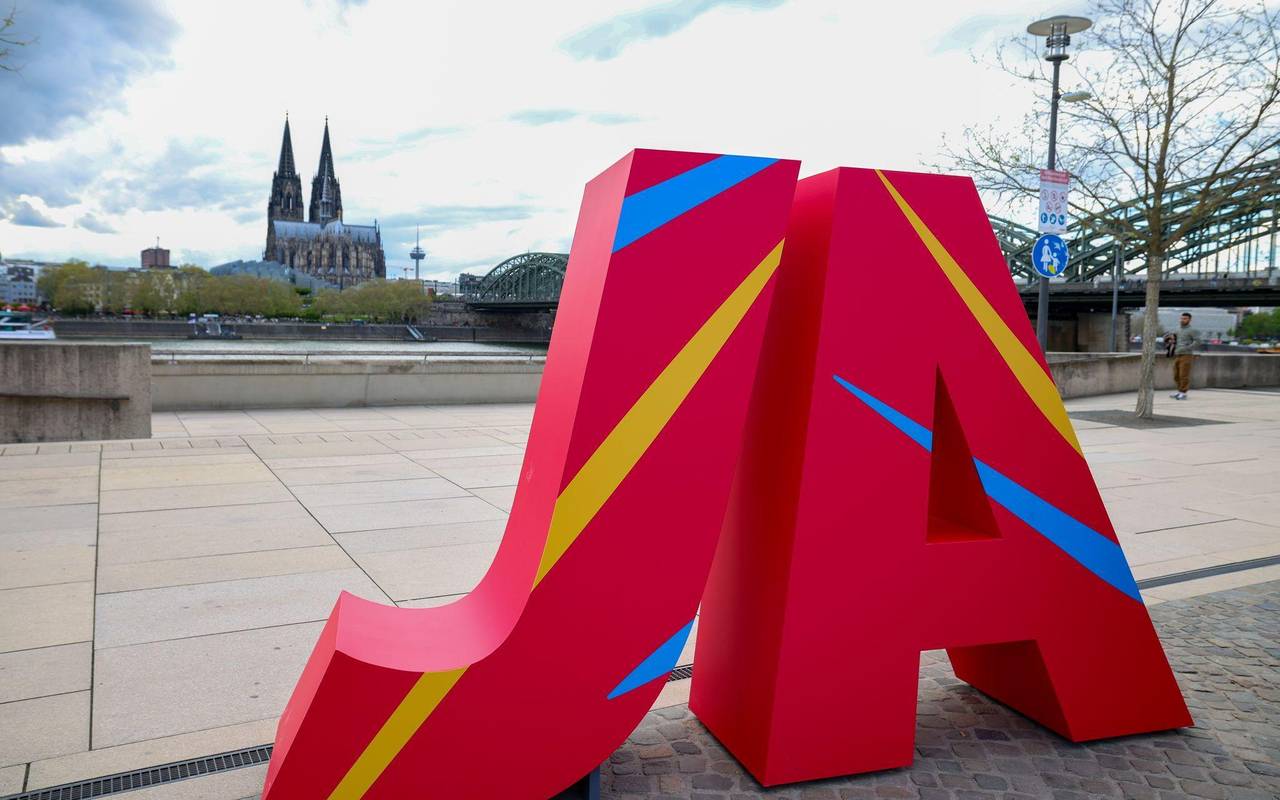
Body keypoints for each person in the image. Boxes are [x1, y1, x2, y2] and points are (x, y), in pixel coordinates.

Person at [1165, 312, 1200, 400]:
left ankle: (1183, 393)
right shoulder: (1177, 329)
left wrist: (1188, 348)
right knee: (1176, 375)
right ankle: (1179, 391)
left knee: (1183, 374)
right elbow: (1173, 339)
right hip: (1177, 354)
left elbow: (1198, 341)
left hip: (1186, 355)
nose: (1182, 320)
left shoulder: (1192, 330)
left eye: (1185, 318)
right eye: (1181, 318)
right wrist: (1170, 341)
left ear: (1189, 320)